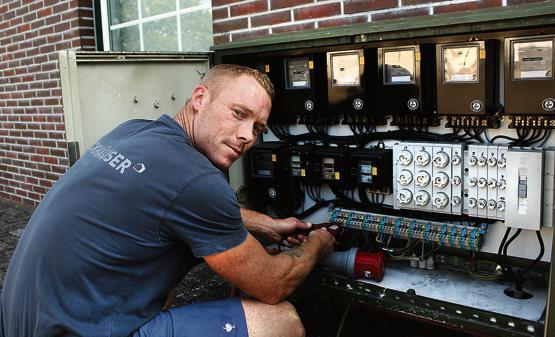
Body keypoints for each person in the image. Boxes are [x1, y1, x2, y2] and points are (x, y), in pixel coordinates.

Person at [0, 64, 335, 337]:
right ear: (200, 97)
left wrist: (266, 224)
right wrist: (318, 243)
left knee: (162, 274)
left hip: (20, 321)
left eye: (258, 127)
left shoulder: (132, 131)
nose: (247, 135)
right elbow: (273, 284)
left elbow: (161, 200)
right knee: (281, 322)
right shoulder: (199, 181)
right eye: (238, 113)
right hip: (74, 330)